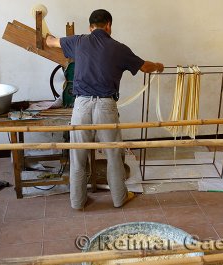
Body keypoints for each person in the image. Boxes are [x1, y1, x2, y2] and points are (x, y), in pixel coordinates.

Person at [46, 9, 164, 210]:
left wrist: (43, 26)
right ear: (109, 25)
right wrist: (159, 66)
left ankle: (77, 202)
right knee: (113, 155)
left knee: (78, 156)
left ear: (90, 27)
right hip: (105, 106)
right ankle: (119, 199)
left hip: (81, 105)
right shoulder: (119, 48)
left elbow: (50, 42)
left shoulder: (78, 41)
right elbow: (145, 67)